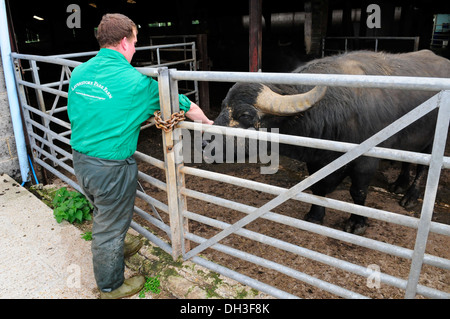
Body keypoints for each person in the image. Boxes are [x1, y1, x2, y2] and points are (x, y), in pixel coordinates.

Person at [67, 13, 213, 299]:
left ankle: (115, 248)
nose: (135, 48)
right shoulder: (136, 83)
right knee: (108, 227)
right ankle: (111, 286)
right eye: (134, 41)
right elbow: (184, 105)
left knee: (105, 214)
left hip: (81, 160)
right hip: (110, 168)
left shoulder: (80, 73)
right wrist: (209, 124)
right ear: (124, 42)